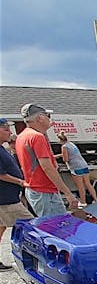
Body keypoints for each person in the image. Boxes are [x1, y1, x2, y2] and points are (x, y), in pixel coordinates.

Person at [16, 103, 79, 216]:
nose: (48, 119)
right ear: (40, 118)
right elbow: (47, 167)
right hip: (44, 191)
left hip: (34, 189)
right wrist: (68, 193)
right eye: (46, 116)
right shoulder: (37, 137)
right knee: (58, 227)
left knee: (51, 226)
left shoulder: (22, 136)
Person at [0, 118, 31, 270]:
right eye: (6, 129)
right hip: (6, 201)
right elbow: (1, 174)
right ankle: (29, 263)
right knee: (30, 225)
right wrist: (20, 182)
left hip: (6, 198)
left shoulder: (2, 148)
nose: (10, 132)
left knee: (1, 227)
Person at [57, 132, 97, 206]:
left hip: (75, 167)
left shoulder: (64, 147)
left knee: (80, 186)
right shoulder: (71, 144)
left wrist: (61, 157)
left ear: (60, 140)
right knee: (88, 184)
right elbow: (71, 154)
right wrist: (57, 155)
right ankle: (96, 199)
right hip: (83, 164)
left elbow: (65, 159)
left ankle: (83, 202)